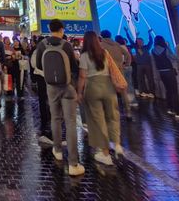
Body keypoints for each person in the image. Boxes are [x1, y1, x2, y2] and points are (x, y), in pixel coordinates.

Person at [35, 19, 84, 176]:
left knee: (55, 118)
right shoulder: (66, 45)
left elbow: (39, 65)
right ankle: (73, 163)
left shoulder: (42, 44)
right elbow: (74, 68)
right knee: (70, 122)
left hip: (51, 87)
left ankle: (57, 150)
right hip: (67, 87)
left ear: (49, 29)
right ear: (62, 29)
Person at [77, 31, 121, 167]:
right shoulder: (105, 53)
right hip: (108, 86)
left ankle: (105, 153)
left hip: (93, 86)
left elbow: (83, 76)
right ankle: (117, 144)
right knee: (113, 116)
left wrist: (79, 92)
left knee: (98, 120)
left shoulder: (84, 55)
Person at [101, 31, 135, 120]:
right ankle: (128, 112)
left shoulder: (101, 45)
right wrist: (126, 64)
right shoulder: (117, 45)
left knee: (110, 92)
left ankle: (112, 114)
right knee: (123, 92)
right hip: (119, 70)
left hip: (107, 72)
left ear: (102, 36)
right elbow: (128, 55)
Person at [152, 36, 179, 120]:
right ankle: (177, 111)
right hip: (169, 71)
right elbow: (173, 57)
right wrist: (168, 46)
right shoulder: (165, 49)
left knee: (168, 90)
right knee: (174, 91)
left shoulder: (153, 50)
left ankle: (170, 108)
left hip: (161, 72)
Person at [31, 36, 53, 144]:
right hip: (50, 77)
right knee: (48, 98)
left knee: (42, 98)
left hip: (41, 77)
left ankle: (45, 118)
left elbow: (33, 64)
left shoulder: (37, 51)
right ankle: (49, 116)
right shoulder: (51, 50)